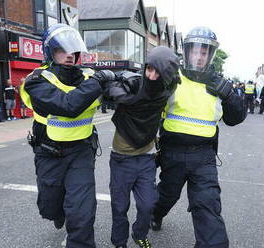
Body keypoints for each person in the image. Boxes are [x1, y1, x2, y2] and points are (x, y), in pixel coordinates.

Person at [150, 27, 247, 248]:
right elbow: (148, 105)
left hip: (204, 157)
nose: (199, 56)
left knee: (208, 205)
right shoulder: (173, 77)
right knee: (166, 196)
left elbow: (235, 118)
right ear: (186, 52)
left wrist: (229, 95)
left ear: (210, 55)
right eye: (195, 51)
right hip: (172, 153)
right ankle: (155, 214)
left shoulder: (218, 83)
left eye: (204, 52)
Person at [20, 23, 112, 248]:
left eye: (73, 50)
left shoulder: (89, 76)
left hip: (81, 152)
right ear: (50, 51)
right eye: (62, 49)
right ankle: (57, 213)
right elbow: (68, 105)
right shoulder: (37, 80)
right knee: (50, 207)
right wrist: (100, 82)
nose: (70, 55)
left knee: (82, 210)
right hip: (48, 154)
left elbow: (121, 96)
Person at [102, 46, 180, 248]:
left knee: (148, 205)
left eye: (157, 71)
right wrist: (127, 98)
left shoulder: (168, 88)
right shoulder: (134, 82)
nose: (152, 75)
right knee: (120, 207)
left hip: (146, 158)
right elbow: (113, 87)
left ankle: (139, 234)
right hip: (121, 158)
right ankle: (119, 242)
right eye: (149, 69)